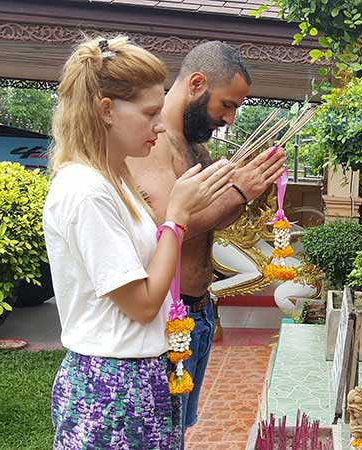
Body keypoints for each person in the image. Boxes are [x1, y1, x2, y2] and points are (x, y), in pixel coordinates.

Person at [44, 36, 235, 449]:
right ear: (106, 110)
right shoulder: (86, 190)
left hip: (141, 374)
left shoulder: (116, 183)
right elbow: (144, 302)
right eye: (150, 113)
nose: (161, 125)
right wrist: (178, 218)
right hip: (111, 386)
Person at [126, 41, 286, 439]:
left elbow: (213, 223)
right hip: (166, 316)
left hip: (198, 310)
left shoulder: (197, 145)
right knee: (160, 431)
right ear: (197, 83)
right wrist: (238, 193)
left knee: (178, 429)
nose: (229, 119)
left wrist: (250, 188)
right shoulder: (154, 143)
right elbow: (167, 229)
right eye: (227, 105)